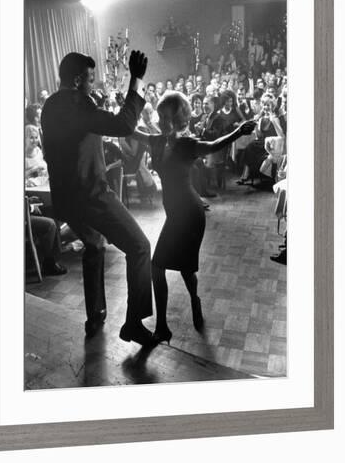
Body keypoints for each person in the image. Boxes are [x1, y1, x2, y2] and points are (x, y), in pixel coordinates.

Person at [41, 50, 154, 345]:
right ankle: (133, 323)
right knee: (140, 247)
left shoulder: (51, 105)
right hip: (90, 194)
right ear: (78, 80)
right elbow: (123, 126)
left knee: (93, 247)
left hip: (66, 197)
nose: (93, 85)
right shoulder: (79, 104)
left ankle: (95, 315)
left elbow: (76, 131)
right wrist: (137, 80)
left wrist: (94, 104)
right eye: (90, 80)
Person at [134, 93, 256, 343]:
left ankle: (193, 300)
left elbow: (213, 146)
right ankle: (163, 327)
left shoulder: (188, 144)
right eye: (161, 117)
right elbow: (131, 131)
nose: (163, 122)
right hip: (174, 215)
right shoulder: (156, 141)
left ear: (179, 118)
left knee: (184, 270)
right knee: (159, 268)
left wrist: (238, 133)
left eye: (168, 118)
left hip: (190, 215)